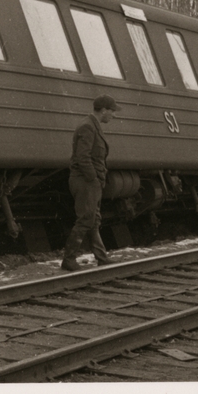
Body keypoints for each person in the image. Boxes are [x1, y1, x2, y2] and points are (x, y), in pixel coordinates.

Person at [62, 94, 120, 272]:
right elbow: (83, 157)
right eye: (112, 111)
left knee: (93, 220)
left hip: (89, 181)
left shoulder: (93, 125)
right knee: (86, 219)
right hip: (85, 181)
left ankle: (101, 257)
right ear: (103, 110)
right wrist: (94, 179)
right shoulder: (88, 126)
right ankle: (68, 259)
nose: (114, 115)